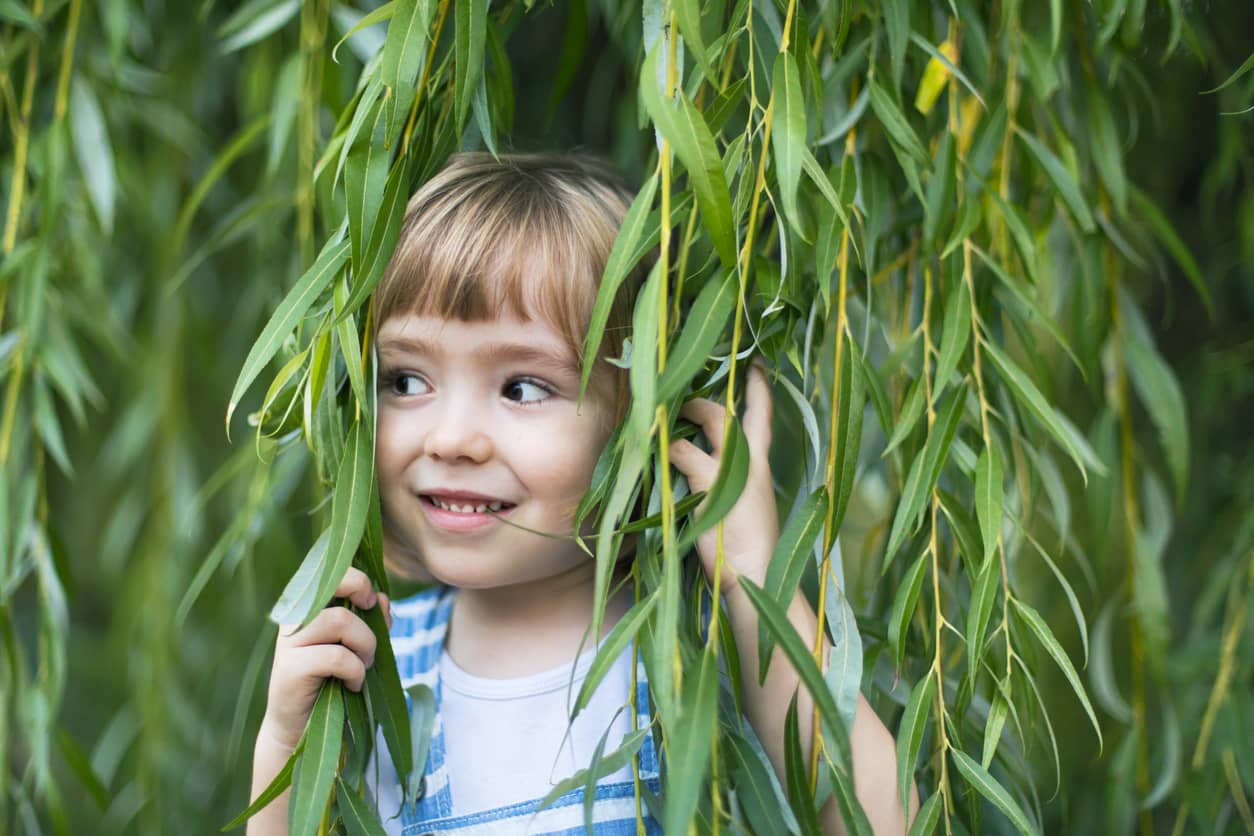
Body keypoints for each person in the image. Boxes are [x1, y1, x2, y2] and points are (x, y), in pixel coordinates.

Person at [247, 152, 916, 834]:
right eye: (407, 381)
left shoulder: (696, 659)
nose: (450, 439)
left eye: (522, 388)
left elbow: (883, 822)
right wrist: (283, 748)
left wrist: (755, 590)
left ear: (641, 425)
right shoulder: (374, 672)